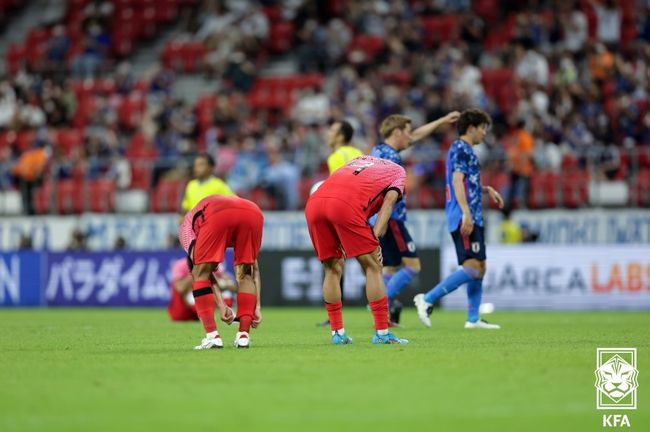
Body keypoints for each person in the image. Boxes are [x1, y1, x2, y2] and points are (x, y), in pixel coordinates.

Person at [414, 108, 504, 329]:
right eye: (483, 129)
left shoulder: (466, 150)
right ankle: (427, 299)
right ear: (471, 128)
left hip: (472, 214)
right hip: (464, 215)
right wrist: (466, 213)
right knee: (472, 267)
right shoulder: (461, 148)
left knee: (480, 266)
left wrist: (486, 189)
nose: (484, 134)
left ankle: (473, 318)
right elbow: (456, 182)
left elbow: (466, 183)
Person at [305, 155, 409, 345]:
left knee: (332, 269)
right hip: (344, 205)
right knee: (374, 267)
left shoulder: (357, 160)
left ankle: (337, 333)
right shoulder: (399, 171)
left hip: (315, 203)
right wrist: (375, 237)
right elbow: (388, 204)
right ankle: (382, 334)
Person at [370, 111, 460, 324]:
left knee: (390, 267)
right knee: (413, 266)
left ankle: (380, 316)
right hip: (392, 218)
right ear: (397, 132)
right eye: (407, 133)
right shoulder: (391, 157)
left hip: (381, 217)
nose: (411, 137)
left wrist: (440, 121)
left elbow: (417, 135)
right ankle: (379, 302)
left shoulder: (379, 150)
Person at [179, 195, 263, 349]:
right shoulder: (200, 214)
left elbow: (201, 270)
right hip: (253, 212)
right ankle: (243, 335)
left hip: (219, 213)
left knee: (200, 272)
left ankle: (213, 337)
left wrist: (221, 304)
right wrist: (256, 307)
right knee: (245, 272)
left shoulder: (185, 229)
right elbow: (254, 268)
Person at [316, 120, 364, 327]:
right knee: (370, 264)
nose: (328, 134)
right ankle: (384, 310)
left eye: (332, 131)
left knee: (333, 264)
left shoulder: (336, 156)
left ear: (342, 136)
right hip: (363, 211)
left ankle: (334, 317)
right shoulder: (359, 152)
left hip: (342, 211)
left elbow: (339, 185)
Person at [168, 257, 236, 322]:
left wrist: (221, 283)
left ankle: (229, 316)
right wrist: (196, 272)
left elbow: (232, 286)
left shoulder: (213, 264)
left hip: (209, 296)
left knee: (226, 293)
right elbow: (180, 288)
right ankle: (207, 320)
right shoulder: (181, 264)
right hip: (186, 306)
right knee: (193, 295)